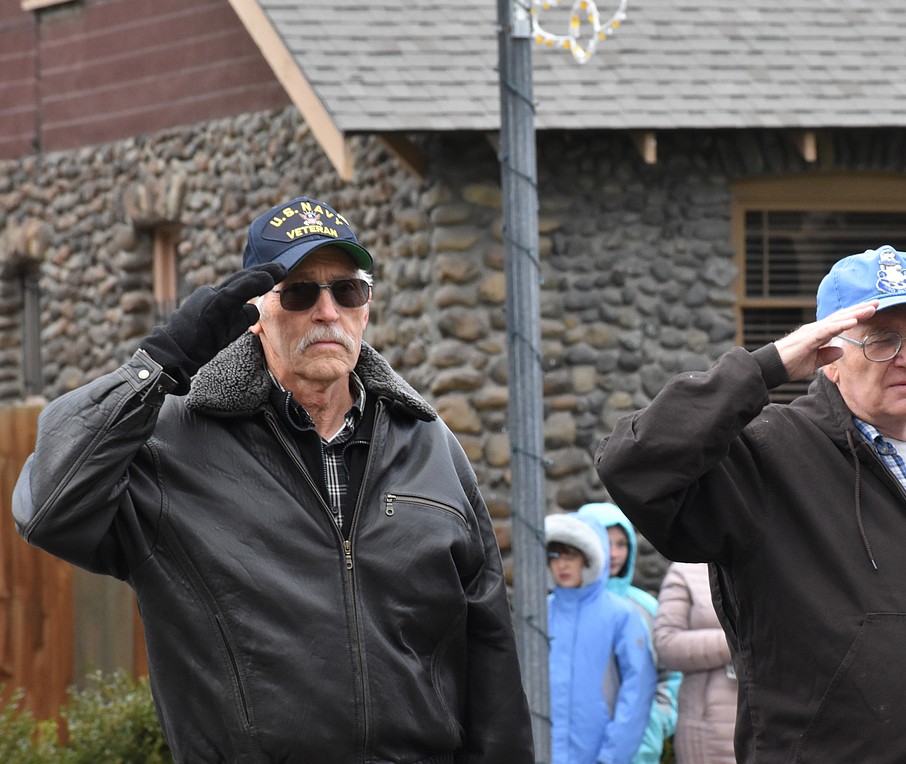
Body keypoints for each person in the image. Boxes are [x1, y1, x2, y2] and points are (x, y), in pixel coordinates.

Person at [13, 196, 534, 763]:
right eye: (301, 292)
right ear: (255, 313)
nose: (327, 311)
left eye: (347, 291)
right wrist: (156, 365)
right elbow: (47, 504)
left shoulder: (431, 446)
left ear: (366, 309)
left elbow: (489, 658)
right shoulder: (172, 447)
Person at [595, 245, 906, 762]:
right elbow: (633, 466)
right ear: (829, 358)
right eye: (881, 340)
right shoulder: (766, 459)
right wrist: (766, 367)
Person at [546, 511, 657, 764]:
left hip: (602, 754)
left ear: (589, 556)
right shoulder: (539, 613)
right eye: (554, 555)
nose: (562, 564)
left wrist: (612, 755)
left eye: (571, 554)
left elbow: (638, 688)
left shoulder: (621, 614)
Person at [577, 501, 681, 764]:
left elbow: (669, 672)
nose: (614, 553)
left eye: (621, 544)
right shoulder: (561, 610)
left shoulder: (645, 607)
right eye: (605, 541)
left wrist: (657, 722)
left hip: (639, 751)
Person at [653, 562, 736, 764]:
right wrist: (734, 643)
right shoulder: (685, 572)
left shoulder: (762, 566)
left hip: (763, 719)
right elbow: (666, 643)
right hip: (706, 730)